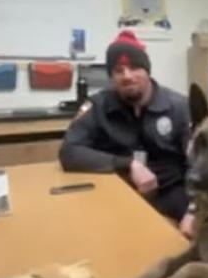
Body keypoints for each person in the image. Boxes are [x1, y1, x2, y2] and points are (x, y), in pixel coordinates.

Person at [59, 30, 193, 233]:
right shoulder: (98, 107)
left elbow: (202, 164)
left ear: (147, 70)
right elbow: (69, 151)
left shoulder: (180, 107)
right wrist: (128, 164)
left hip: (172, 195)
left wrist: (194, 210)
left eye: (134, 68)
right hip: (117, 196)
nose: (127, 76)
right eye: (118, 70)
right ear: (111, 76)